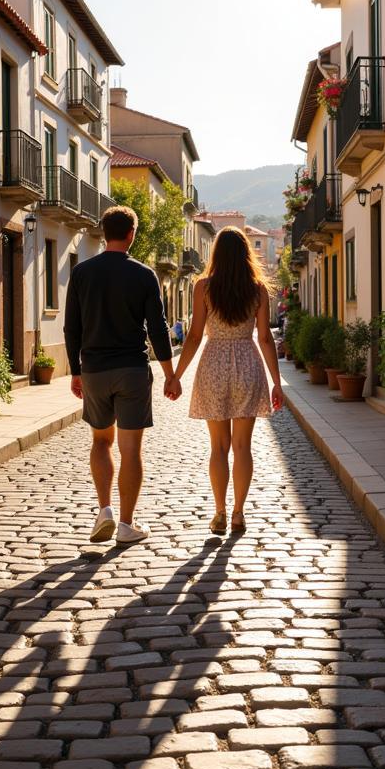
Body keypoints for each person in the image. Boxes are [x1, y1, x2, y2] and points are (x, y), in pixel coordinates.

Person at [64, 205, 180, 545]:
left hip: (95, 370)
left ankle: (105, 510)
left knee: (101, 441)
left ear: (104, 233)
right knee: (131, 450)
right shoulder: (144, 275)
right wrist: (170, 373)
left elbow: (72, 327)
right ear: (131, 234)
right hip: (131, 369)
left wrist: (75, 371)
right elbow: (157, 329)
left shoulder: (82, 273)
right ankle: (127, 525)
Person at [168, 226, 283, 534]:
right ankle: (238, 513)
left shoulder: (203, 287)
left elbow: (193, 336)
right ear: (246, 254)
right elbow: (265, 338)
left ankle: (218, 511)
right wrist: (276, 381)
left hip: (213, 364)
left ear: (216, 253)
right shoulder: (257, 289)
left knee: (219, 446)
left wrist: (176, 376)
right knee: (243, 446)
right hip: (247, 362)